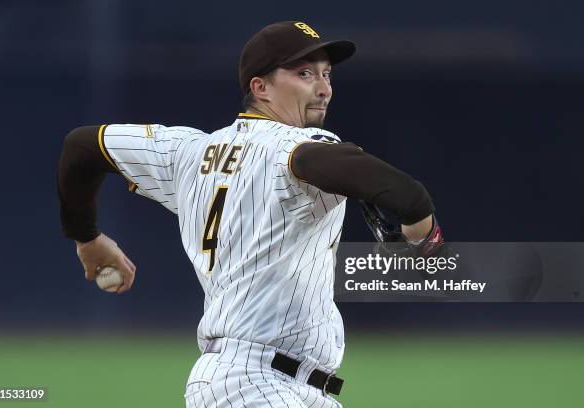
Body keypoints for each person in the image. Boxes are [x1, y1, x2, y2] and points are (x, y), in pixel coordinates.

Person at [57, 21, 440, 408]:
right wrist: (421, 229)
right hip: (254, 386)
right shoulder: (296, 146)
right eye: (304, 73)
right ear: (260, 88)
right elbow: (402, 192)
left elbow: (82, 146)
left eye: (326, 74)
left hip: (275, 387)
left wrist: (86, 237)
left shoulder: (188, 152)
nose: (323, 87)